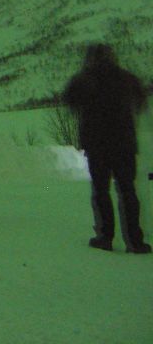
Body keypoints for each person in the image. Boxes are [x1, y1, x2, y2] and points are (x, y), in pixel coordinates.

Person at [62, 43, 151, 253]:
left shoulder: (84, 80)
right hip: (124, 144)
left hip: (97, 145)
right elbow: (141, 102)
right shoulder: (126, 78)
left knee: (101, 191)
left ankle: (105, 237)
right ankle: (135, 240)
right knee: (127, 190)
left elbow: (69, 100)